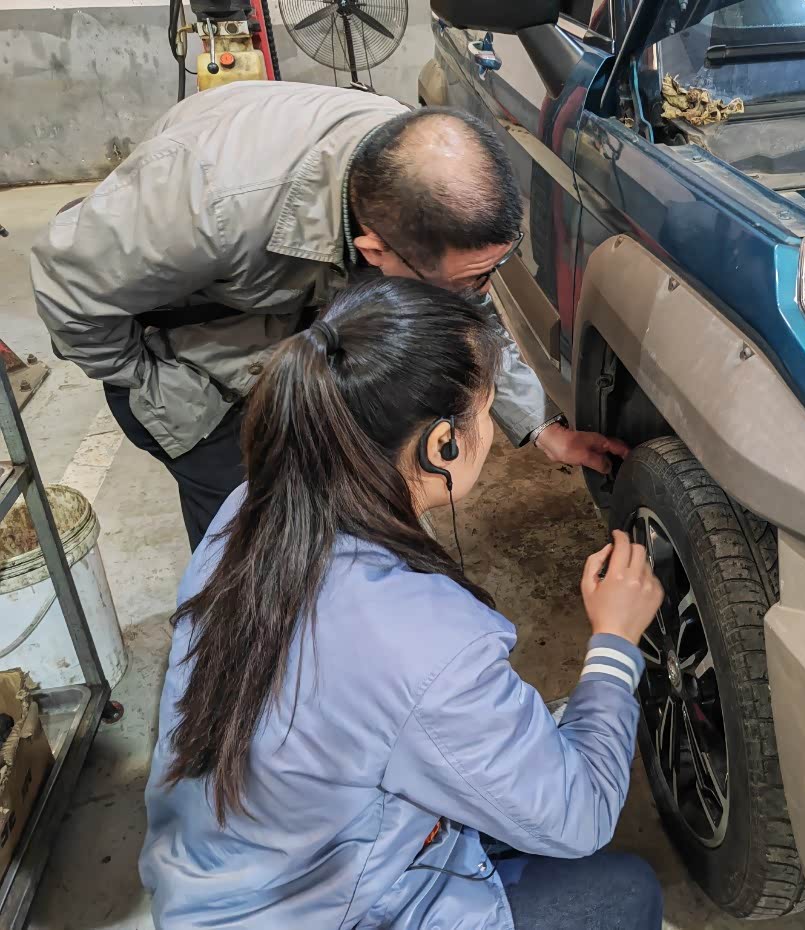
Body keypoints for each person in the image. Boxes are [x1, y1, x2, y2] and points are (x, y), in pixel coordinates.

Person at [139, 277, 665, 930]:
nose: (491, 431)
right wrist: (614, 643)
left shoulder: (248, 509)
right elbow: (579, 815)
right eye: (487, 412)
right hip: (321, 912)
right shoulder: (424, 641)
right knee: (623, 893)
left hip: (221, 884)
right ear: (442, 444)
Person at [29, 82, 626, 551]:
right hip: (186, 359)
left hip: (272, 313)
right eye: (469, 277)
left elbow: (467, 299)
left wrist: (542, 428)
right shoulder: (209, 205)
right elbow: (66, 290)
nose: (480, 291)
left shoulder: (413, 170)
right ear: (374, 251)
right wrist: (156, 382)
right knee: (250, 544)